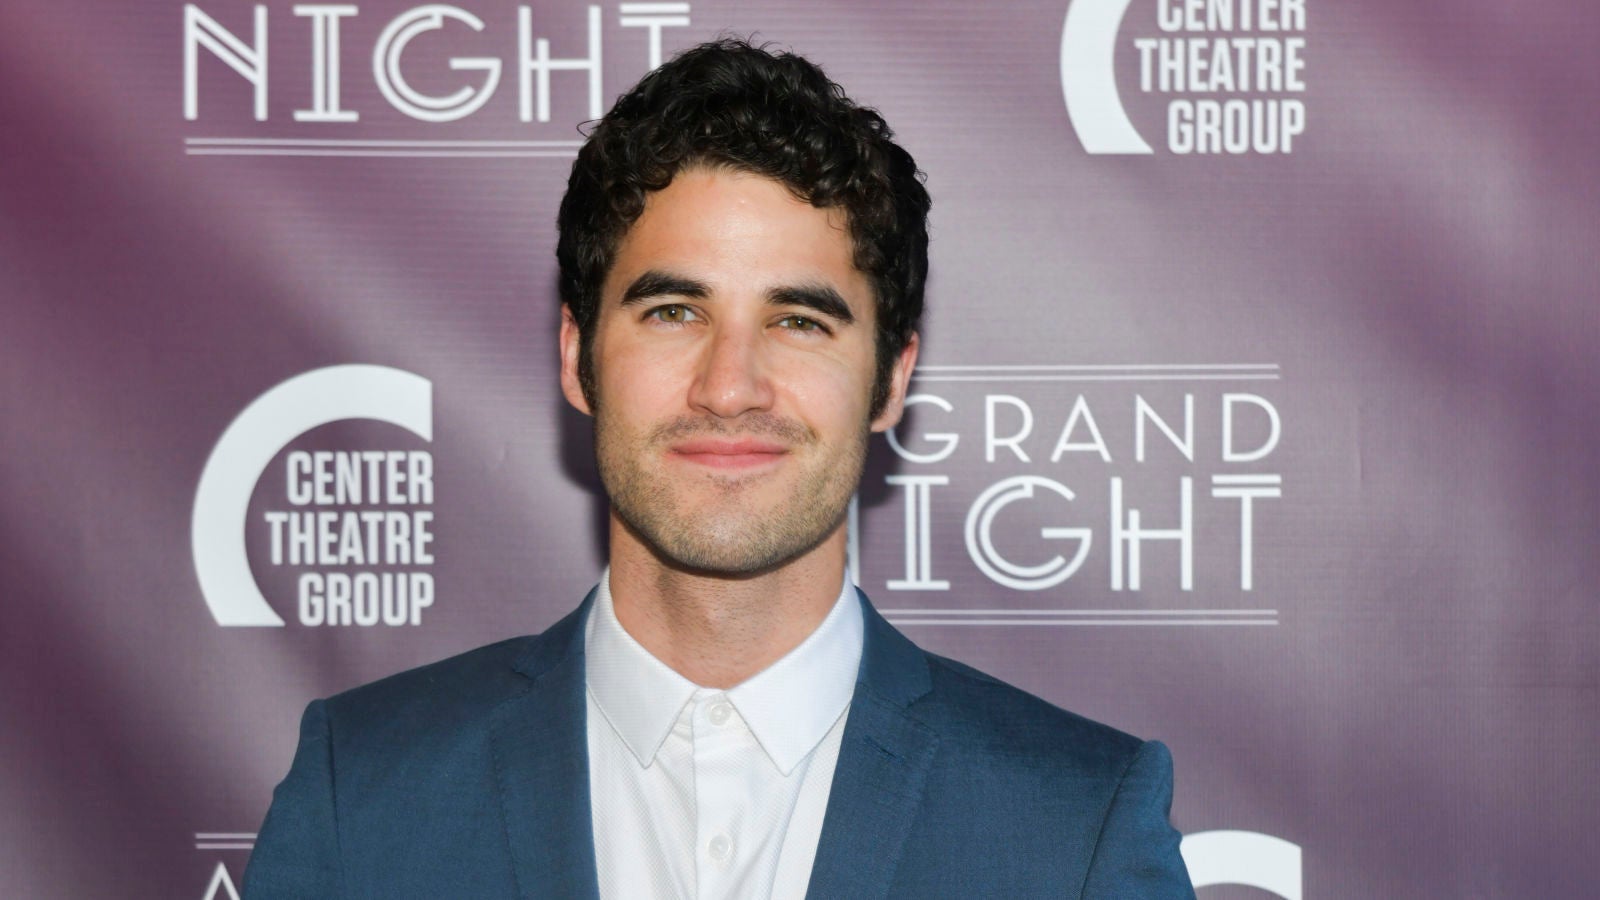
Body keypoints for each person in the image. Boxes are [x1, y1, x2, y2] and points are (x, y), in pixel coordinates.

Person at [244, 38, 1194, 899]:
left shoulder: (1076, 828)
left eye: (798, 321)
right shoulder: (361, 794)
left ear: (891, 378)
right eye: (673, 312)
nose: (730, 387)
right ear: (577, 356)